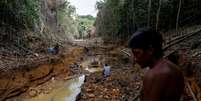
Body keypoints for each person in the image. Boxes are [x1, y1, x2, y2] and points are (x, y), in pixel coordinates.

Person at [128, 27, 184, 101]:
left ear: (150, 50)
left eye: (137, 53)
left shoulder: (155, 75)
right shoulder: (176, 70)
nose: (134, 59)